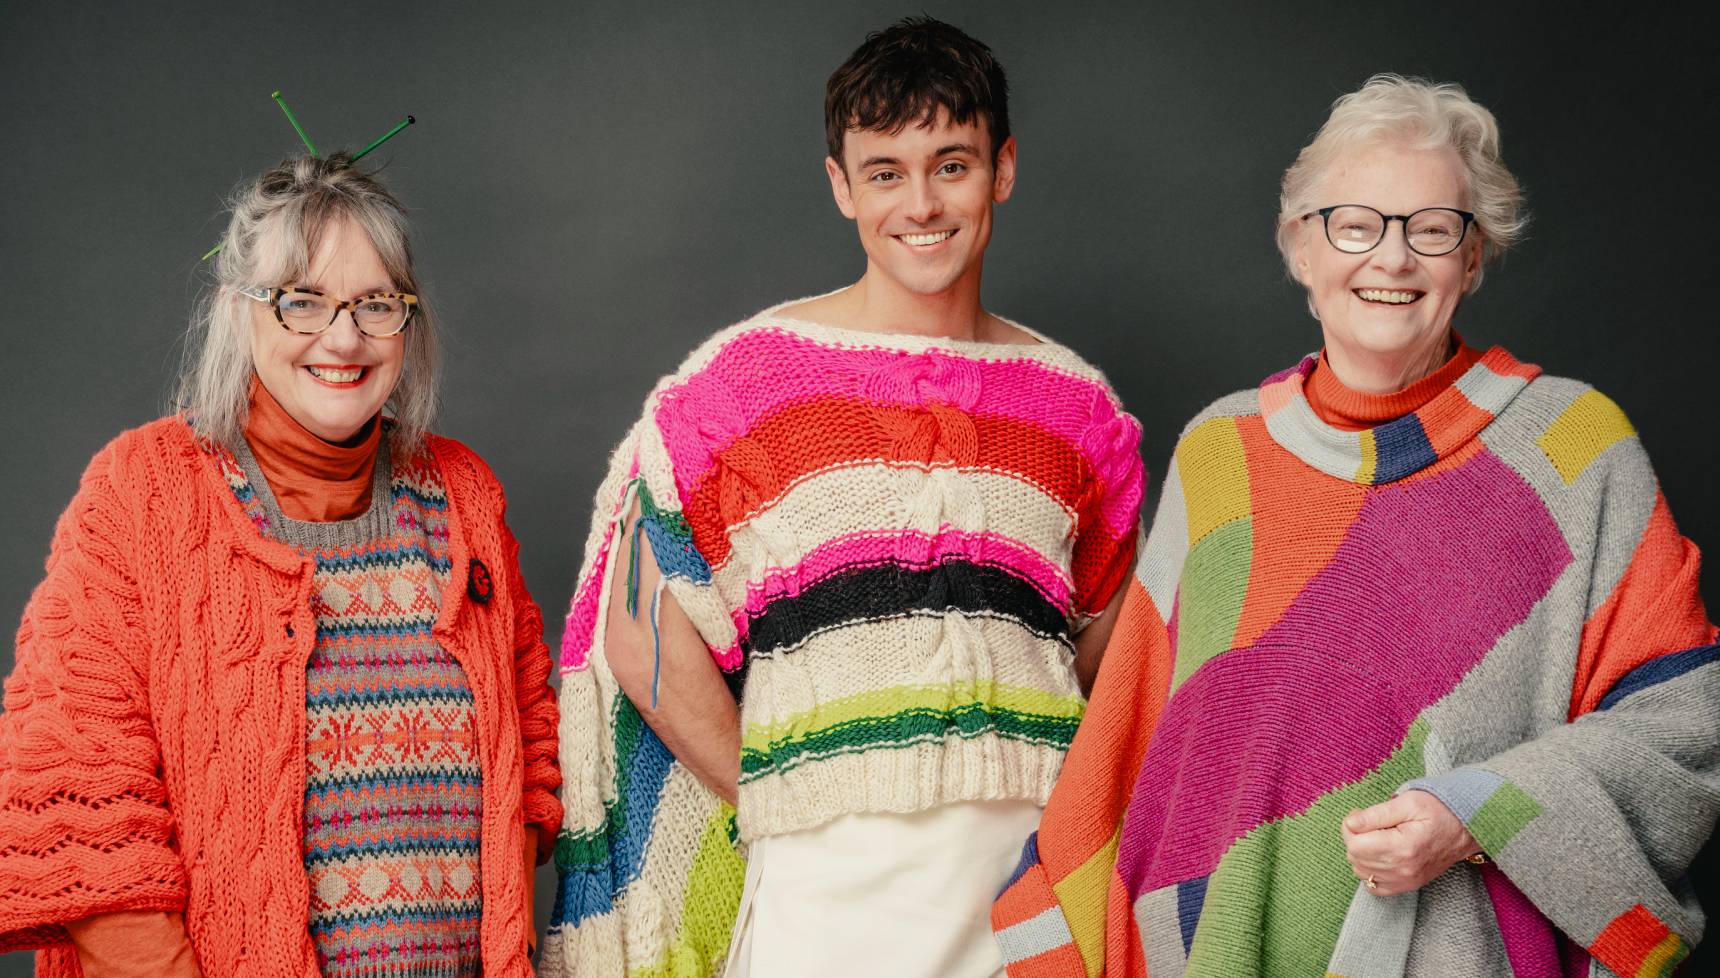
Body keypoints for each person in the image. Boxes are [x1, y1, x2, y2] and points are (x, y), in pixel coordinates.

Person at [992, 73, 1719, 978]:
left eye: (1432, 229)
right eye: (1355, 225)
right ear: (1302, 246)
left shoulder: (1571, 450)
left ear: (1473, 258)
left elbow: (1685, 721)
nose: (1393, 259)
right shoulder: (1221, 455)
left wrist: (1476, 814)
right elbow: (1131, 734)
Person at [543, 16, 1143, 978]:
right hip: (826, 899)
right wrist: (769, 795)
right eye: (885, 172)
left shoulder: (1078, 406)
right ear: (841, 185)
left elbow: (1116, 641)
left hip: (1028, 883)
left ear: (1003, 169)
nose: (922, 203)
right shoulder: (746, 385)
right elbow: (639, 636)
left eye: (952, 165)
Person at [0, 154, 561, 978]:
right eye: (302, 300)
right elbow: (83, 799)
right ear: (239, 311)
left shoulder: (464, 495)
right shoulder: (141, 495)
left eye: (376, 303)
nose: (344, 338)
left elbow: (532, 740)